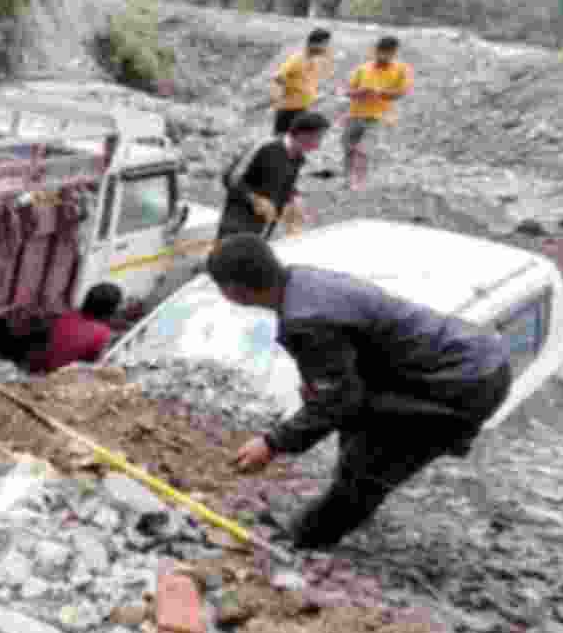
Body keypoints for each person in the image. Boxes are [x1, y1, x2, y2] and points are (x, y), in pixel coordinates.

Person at [206, 234, 512, 550]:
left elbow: (337, 402)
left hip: (460, 382)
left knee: (369, 465)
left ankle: (302, 544)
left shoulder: (306, 320)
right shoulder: (302, 281)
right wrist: (322, 394)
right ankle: (349, 503)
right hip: (467, 357)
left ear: (234, 291)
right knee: (356, 423)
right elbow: (343, 389)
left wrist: (272, 443)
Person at [217, 111, 330, 242]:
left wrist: (295, 202)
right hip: (236, 222)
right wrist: (255, 199)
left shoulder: (298, 159)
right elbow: (230, 177)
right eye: (318, 138)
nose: (319, 145)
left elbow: (284, 186)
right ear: (303, 135)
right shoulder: (265, 146)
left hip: (264, 228)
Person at [0, 282, 123, 374]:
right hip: (58, 377)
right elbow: (93, 367)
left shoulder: (66, 315)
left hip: (39, 366)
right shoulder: (103, 334)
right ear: (110, 310)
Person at [343, 36, 412, 190]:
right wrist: (359, 92)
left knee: (363, 150)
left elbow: (402, 93)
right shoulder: (363, 69)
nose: (383, 56)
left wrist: (381, 93)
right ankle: (348, 180)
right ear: (376, 51)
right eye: (381, 52)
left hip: (378, 117)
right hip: (355, 114)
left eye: (388, 53)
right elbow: (348, 91)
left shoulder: (401, 70)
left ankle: (359, 182)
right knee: (349, 148)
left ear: (394, 53)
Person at [272, 29, 332, 134]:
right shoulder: (297, 59)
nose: (326, 48)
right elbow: (278, 77)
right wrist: (297, 88)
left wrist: (315, 94)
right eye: (324, 44)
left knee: (297, 142)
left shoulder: (313, 62)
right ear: (313, 44)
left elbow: (306, 83)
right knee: (280, 142)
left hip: (302, 109)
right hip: (289, 110)